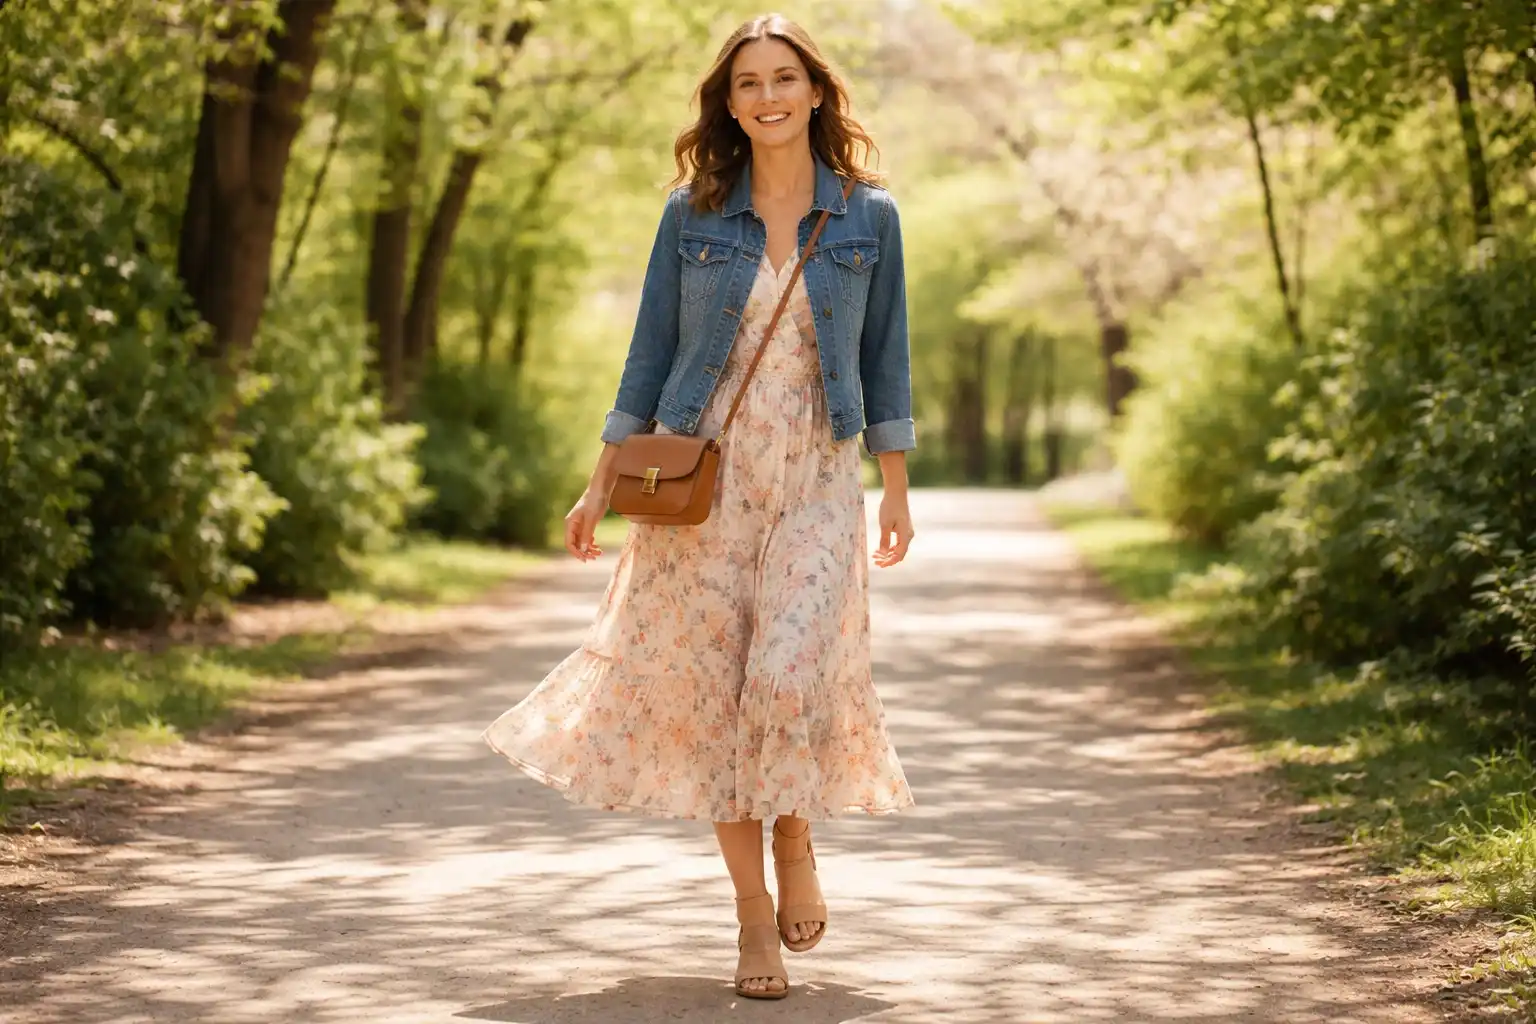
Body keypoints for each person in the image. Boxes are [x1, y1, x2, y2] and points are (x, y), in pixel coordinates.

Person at [482, 11, 915, 1001]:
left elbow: (887, 360)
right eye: (747, 83)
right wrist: (599, 480)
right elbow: (647, 353)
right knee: (720, 702)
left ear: (815, 91)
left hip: (813, 479)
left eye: (783, 79)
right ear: (730, 102)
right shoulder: (693, 213)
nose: (766, 97)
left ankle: (795, 830)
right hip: (703, 487)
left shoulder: (869, 217)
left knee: (789, 676)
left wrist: (894, 490)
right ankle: (752, 922)